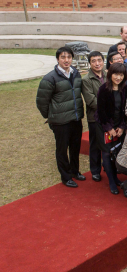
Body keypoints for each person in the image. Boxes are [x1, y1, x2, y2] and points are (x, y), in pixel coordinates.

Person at [36, 47, 85, 188]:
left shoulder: (75, 73)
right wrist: (50, 116)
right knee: (62, 150)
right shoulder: (50, 78)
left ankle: (75, 171)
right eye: (63, 57)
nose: (66, 60)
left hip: (75, 118)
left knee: (75, 147)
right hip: (60, 121)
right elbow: (41, 102)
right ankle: (66, 176)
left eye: (69, 57)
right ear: (58, 59)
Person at [93, 62, 127, 194]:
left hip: (118, 125)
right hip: (104, 125)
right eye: (115, 74)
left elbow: (125, 110)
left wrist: (121, 126)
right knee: (107, 153)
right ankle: (111, 181)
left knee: (116, 152)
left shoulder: (124, 88)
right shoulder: (103, 89)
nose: (118, 78)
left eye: (121, 75)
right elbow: (101, 112)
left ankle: (116, 177)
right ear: (110, 74)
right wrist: (109, 128)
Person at [82, 51, 106, 182]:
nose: (97, 63)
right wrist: (109, 105)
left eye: (99, 60)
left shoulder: (109, 75)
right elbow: (91, 101)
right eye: (93, 61)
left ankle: (107, 167)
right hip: (95, 117)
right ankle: (95, 170)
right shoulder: (86, 80)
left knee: (109, 143)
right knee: (95, 145)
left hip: (109, 118)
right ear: (90, 63)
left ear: (103, 61)